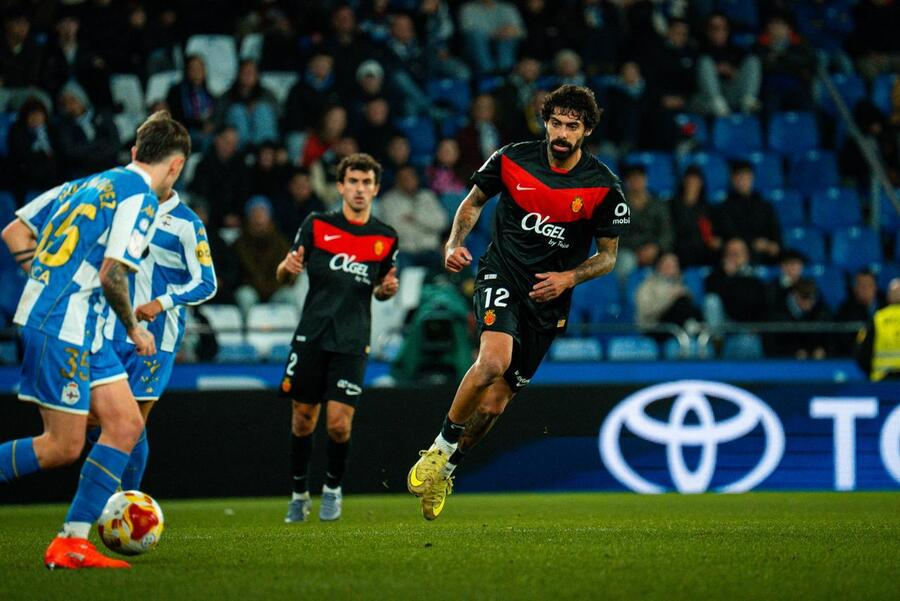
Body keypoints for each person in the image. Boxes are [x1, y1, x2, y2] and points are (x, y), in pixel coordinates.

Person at [406, 85, 627, 520]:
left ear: (586, 131)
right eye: (557, 123)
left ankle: (448, 468)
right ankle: (439, 446)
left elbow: (609, 257)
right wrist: (453, 243)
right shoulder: (512, 158)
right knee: (492, 361)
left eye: (573, 126)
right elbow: (472, 204)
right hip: (502, 273)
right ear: (546, 122)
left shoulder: (603, 186)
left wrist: (570, 276)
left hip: (548, 298)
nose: (562, 133)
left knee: (495, 404)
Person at [0, 111, 190, 569]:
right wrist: (134, 327)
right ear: (176, 166)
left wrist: (49, 279)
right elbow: (113, 274)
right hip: (65, 326)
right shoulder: (141, 200)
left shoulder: (85, 184)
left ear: (134, 153)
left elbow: (15, 230)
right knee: (60, 447)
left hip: (82, 327)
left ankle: (73, 541)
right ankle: (71, 541)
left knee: (125, 425)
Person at [275, 153, 399, 523]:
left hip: (352, 339)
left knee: (339, 423)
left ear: (375, 189)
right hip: (312, 334)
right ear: (341, 186)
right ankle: (299, 494)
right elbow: (285, 275)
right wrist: (287, 268)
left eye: (367, 183)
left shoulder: (385, 238)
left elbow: (382, 288)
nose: (360, 189)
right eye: (353, 182)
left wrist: (386, 291)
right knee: (302, 419)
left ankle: (332, 489)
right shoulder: (316, 225)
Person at [94, 185, 218, 490]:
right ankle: (115, 497)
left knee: (131, 425)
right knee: (95, 420)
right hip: (108, 330)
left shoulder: (186, 223)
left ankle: (124, 501)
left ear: (174, 168)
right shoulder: (120, 205)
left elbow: (207, 282)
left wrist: (160, 302)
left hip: (155, 338)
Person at [378, 165, 449, 270]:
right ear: (397, 181)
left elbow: (442, 223)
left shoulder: (428, 196)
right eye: (404, 178)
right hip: (404, 252)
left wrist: (416, 218)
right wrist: (427, 227)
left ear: (417, 179)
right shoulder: (387, 201)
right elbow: (392, 232)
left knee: (440, 277)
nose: (408, 181)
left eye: (411, 177)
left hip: (430, 250)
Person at [715, 161, 781, 264]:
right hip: (738, 256)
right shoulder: (724, 207)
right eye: (740, 177)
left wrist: (770, 245)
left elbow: (775, 233)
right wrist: (753, 243)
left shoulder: (764, 206)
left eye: (747, 177)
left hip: (766, 256)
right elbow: (728, 233)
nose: (743, 181)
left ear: (752, 179)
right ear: (733, 180)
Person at [856, 278, 900, 381]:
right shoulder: (877, 318)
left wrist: (871, 373)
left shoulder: (877, 318)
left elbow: (861, 354)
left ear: (889, 296)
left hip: (883, 382)